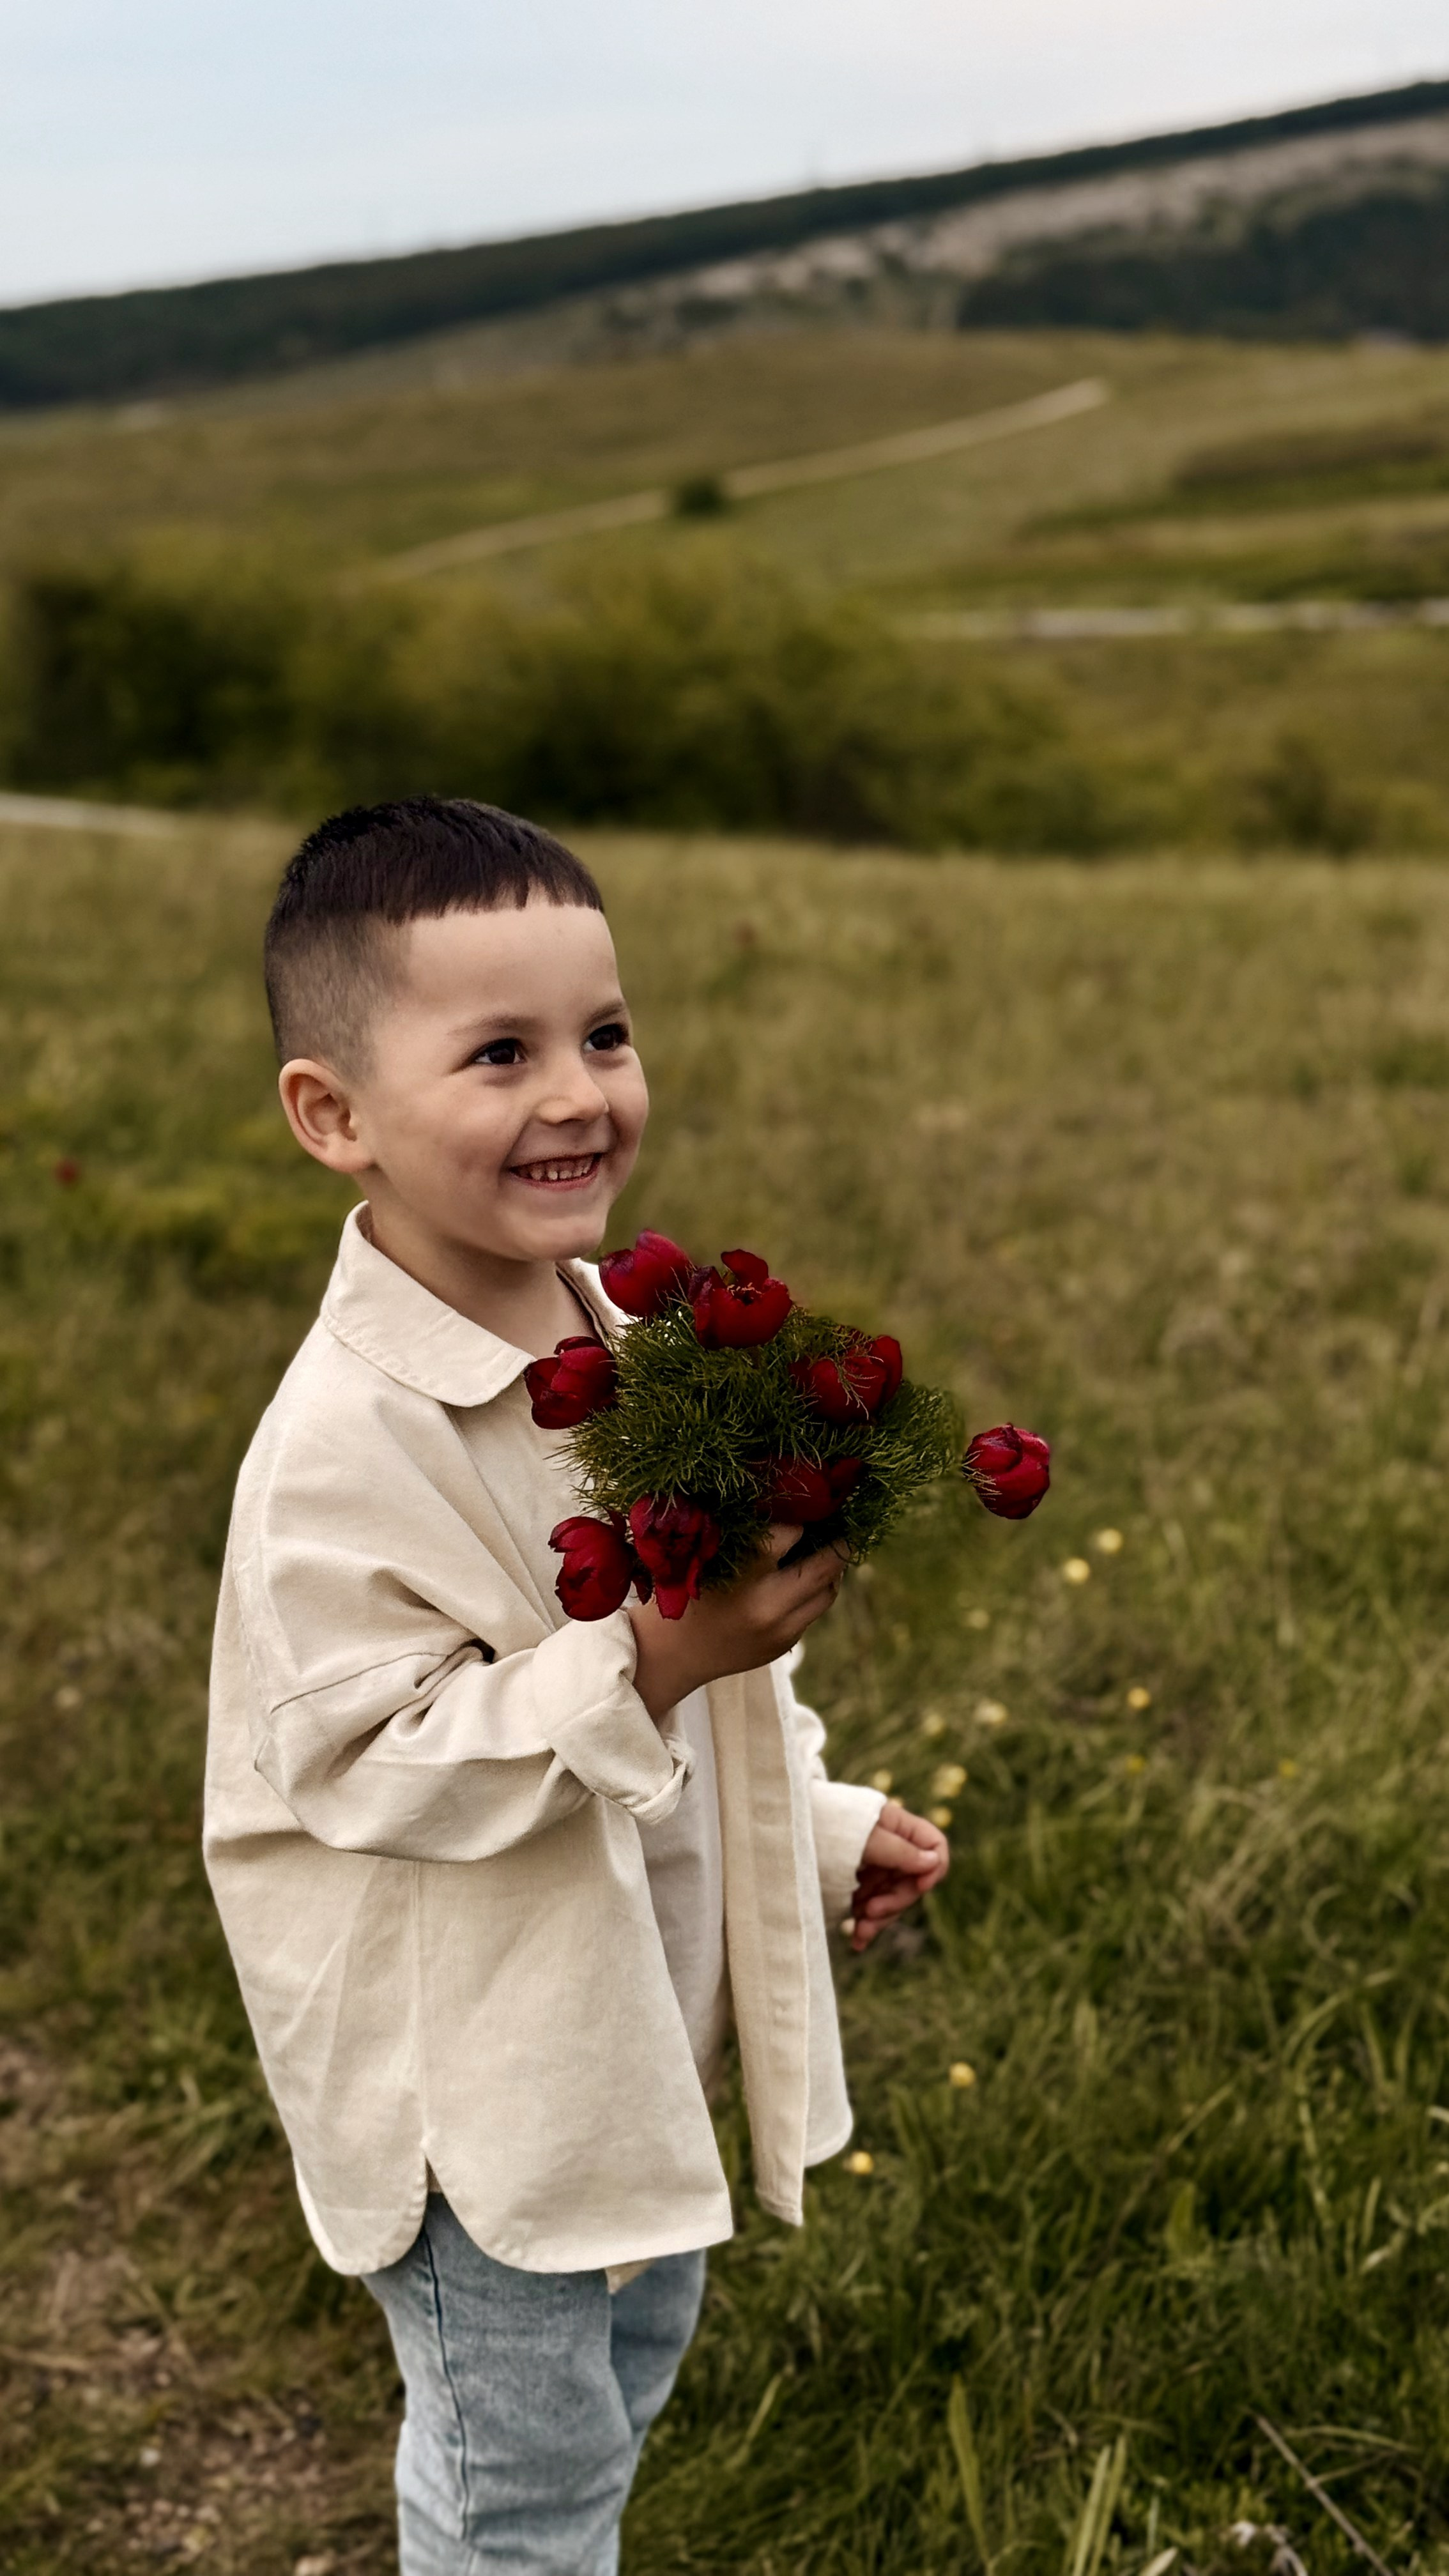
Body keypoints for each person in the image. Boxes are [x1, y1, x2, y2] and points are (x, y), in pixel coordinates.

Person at [203, 795, 950, 2575]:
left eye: (602, 1034)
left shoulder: (618, 1337)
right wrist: (650, 1658)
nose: (576, 1092)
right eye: (498, 1052)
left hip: (612, 2026)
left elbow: (696, 1697)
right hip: (470, 2084)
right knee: (516, 2484)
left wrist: (816, 1823)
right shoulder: (341, 1443)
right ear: (336, 1118)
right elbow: (365, 1761)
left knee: (623, 2370)